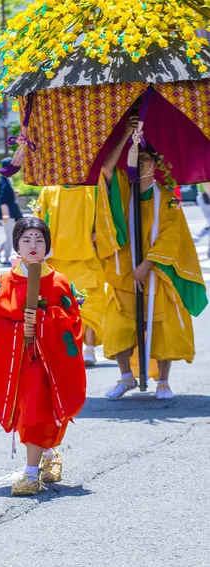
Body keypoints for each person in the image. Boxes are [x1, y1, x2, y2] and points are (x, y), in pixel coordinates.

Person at [97, 115, 208, 400]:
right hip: (125, 273)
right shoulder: (123, 190)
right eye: (137, 158)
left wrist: (147, 265)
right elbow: (107, 168)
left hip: (157, 272)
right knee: (119, 326)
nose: (140, 162)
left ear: (155, 164)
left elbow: (172, 238)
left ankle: (164, 382)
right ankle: (126, 377)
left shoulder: (167, 197)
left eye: (145, 158)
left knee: (163, 325)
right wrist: (126, 137)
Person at [0, 217, 86, 496]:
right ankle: (49, 454)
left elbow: (73, 322)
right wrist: (17, 328)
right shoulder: (4, 281)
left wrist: (42, 321)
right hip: (18, 360)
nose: (33, 245)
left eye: (39, 240)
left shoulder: (59, 281)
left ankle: (30, 473)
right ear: (16, 245)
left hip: (47, 361)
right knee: (30, 411)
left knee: (37, 409)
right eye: (26, 239)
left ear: (47, 246)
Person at [34, 185, 105, 366]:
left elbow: (105, 220)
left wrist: (100, 233)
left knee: (90, 307)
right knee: (61, 309)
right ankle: (67, 348)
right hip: (58, 262)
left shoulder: (93, 189)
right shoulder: (49, 191)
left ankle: (89, 349)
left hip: (87, 259)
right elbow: (38, 223)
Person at [0, 157, 23, 267]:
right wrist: (5, 213)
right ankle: (6, 258)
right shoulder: (4, 181)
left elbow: (6, 196)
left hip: (10, 213)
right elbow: (2, 199)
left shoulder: (6, 180)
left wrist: (13, 193)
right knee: (11, 236)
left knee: (11, 235)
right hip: (7, 214)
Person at [194, 182, 210, 259]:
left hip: (203, 196)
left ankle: (197, 236)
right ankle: (197, 236)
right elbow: (206, 183)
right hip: (206, 197)